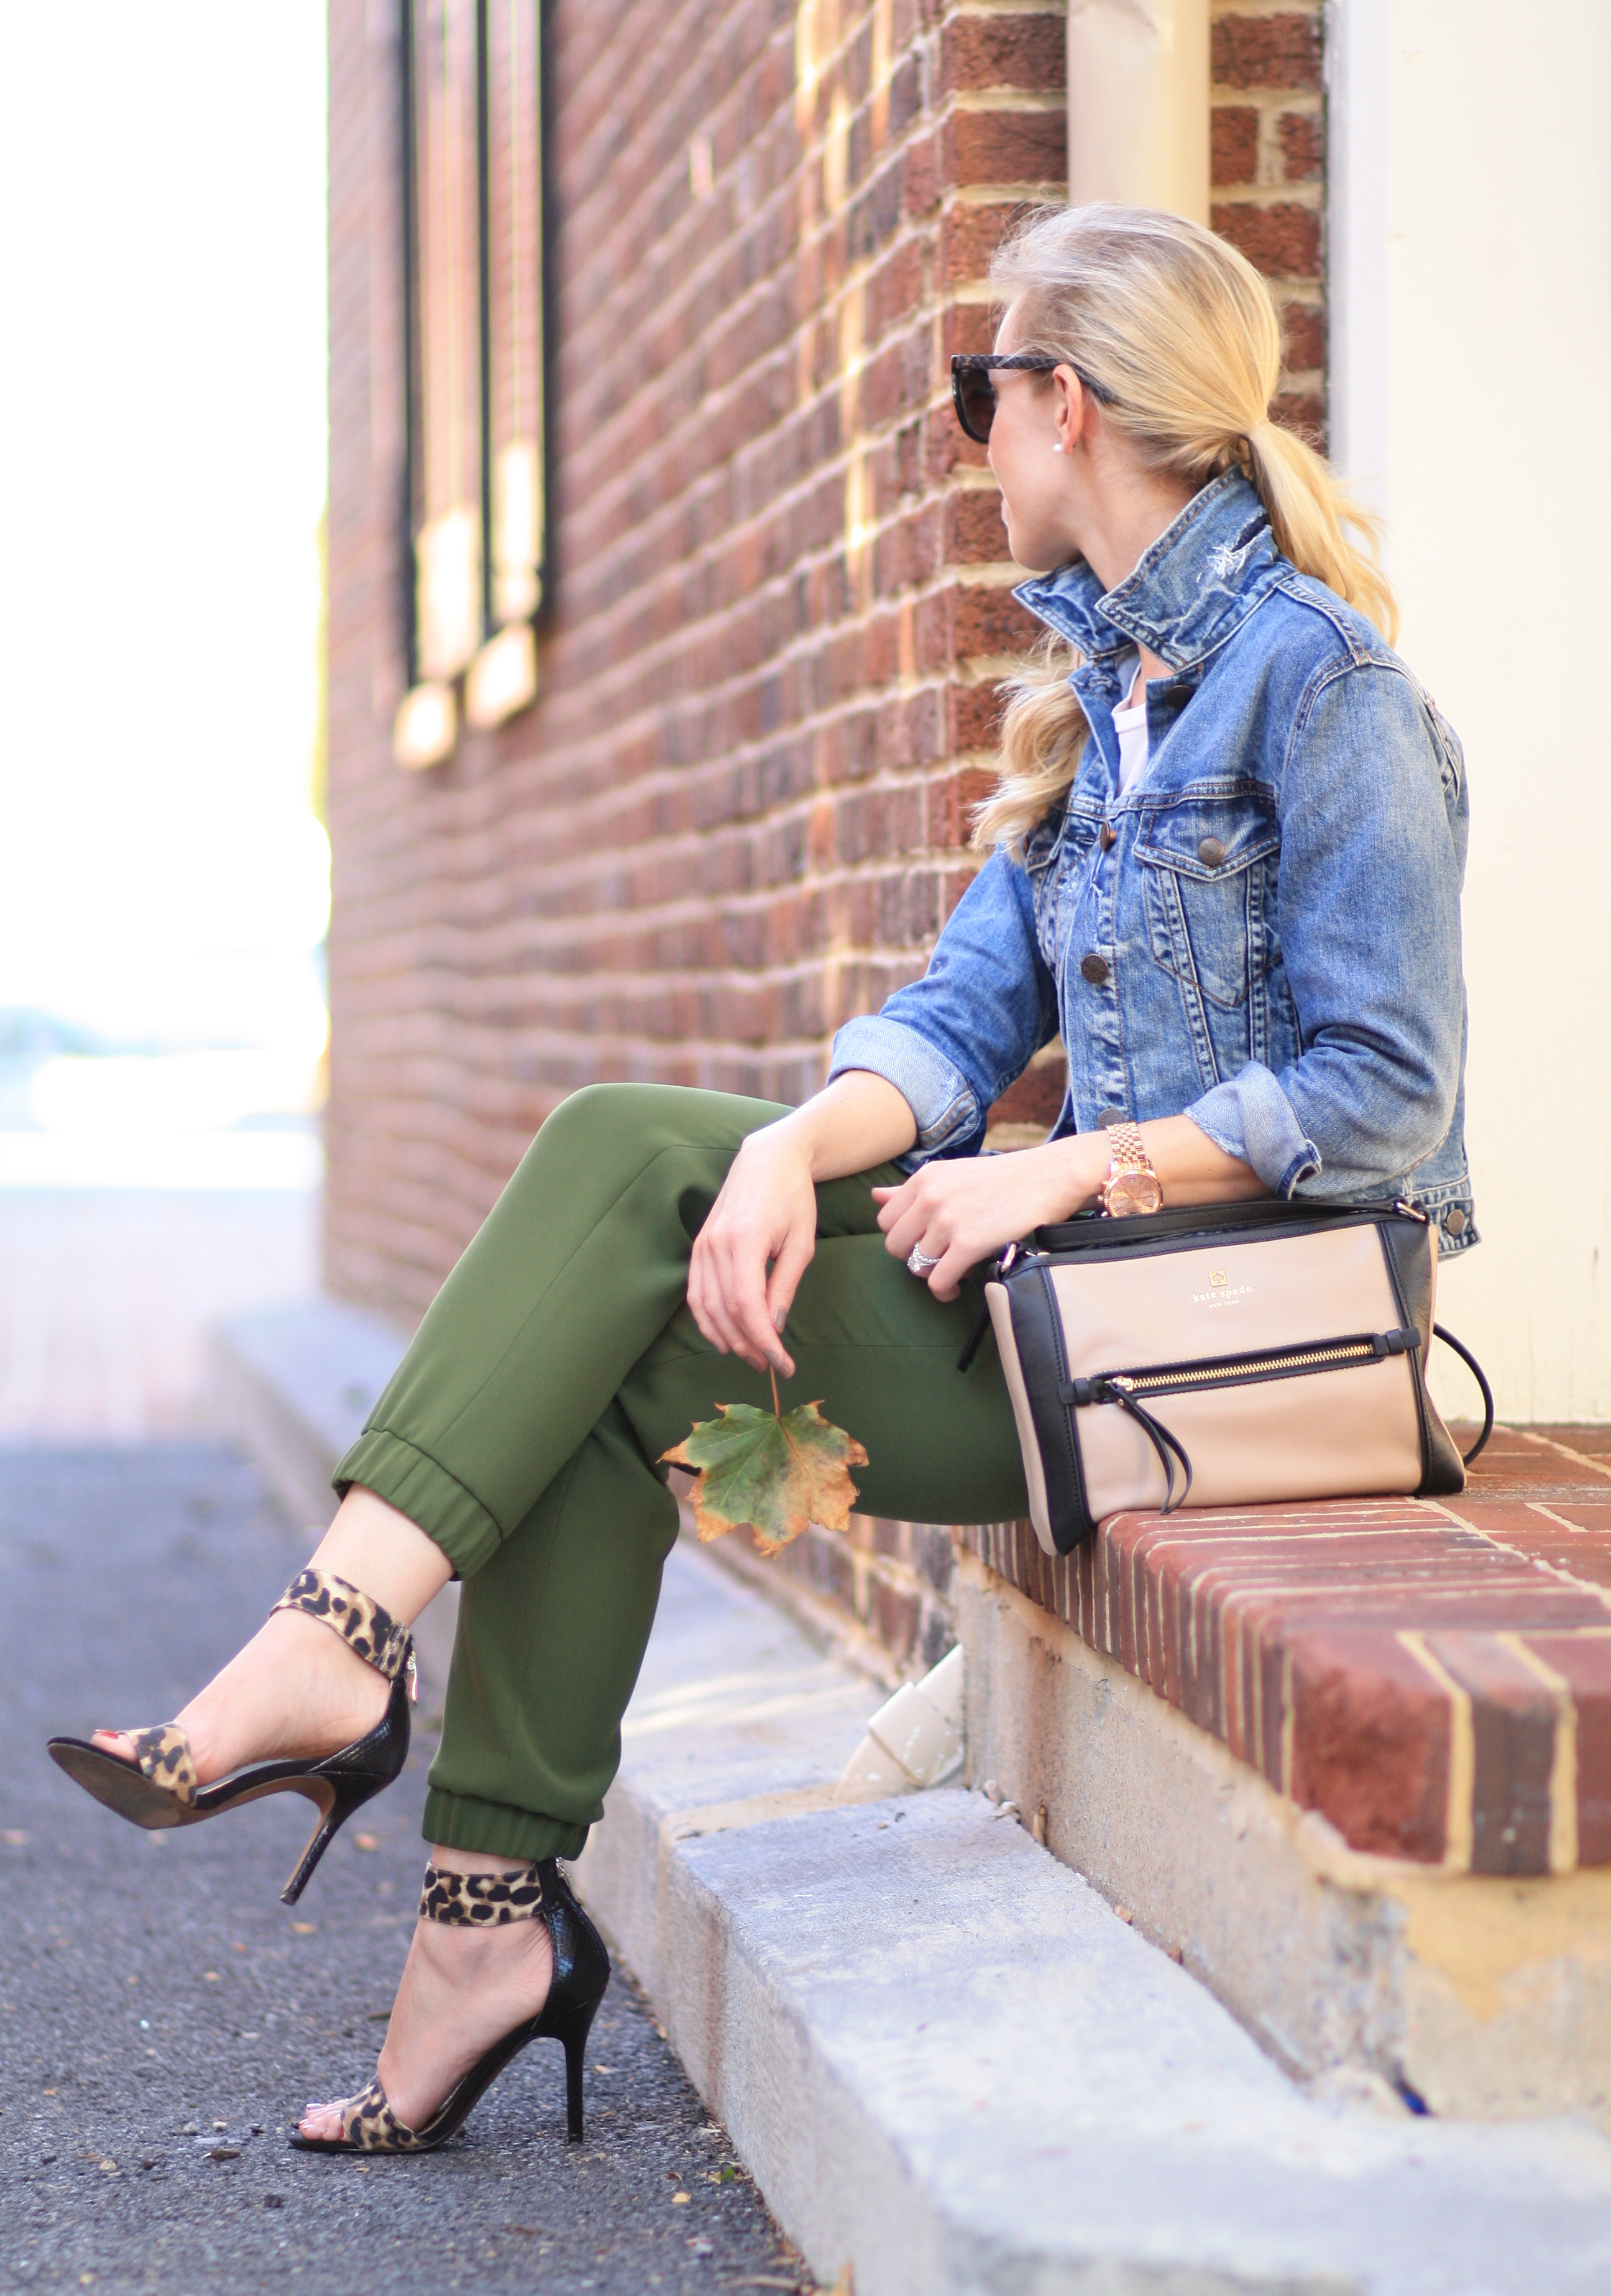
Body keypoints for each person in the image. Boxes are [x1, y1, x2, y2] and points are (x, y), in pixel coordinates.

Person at [48, 203, 1474, 2154]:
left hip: (1227, 1357)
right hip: (1077, 1335)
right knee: (635, 1327)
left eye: (981, 393)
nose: (969, 436)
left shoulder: (1325, 689)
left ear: (1068, 406)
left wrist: (1070, 1180)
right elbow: (958, 1024)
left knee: (621, 1147)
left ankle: (339, 1646)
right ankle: (477, 1927)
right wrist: (796, 1155)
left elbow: (1386, 1100)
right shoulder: (1103, 702)